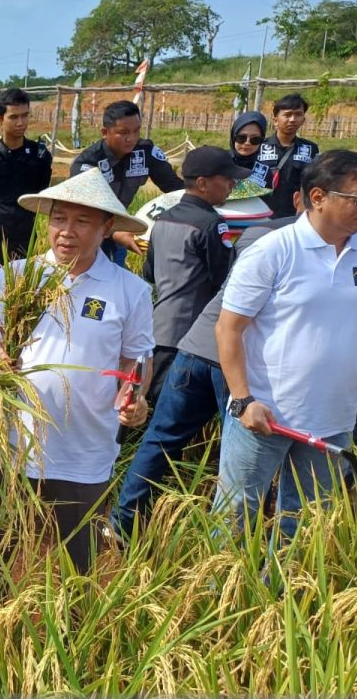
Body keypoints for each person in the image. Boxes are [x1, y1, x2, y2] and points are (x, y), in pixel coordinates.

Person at [0, 168, 153, 573]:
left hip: (85, 447)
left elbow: (136, 359)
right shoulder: (18, 276)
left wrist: (135, 397)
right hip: (13, 442)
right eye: (59, 218)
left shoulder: (129, 290)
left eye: (81, 221)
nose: (66, 231)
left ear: (107, 227)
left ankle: (80, 630)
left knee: (82, 559)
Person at [112, 190, 300, 538]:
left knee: (161, 438)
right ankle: (225, 551)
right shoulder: (301, 247)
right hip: (231, 361)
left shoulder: (257, 236)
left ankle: (122, 523)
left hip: (192, 348)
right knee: (238, 456)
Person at [215, 150, 357, 541]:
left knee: (305, 523)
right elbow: (228, 329)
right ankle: (215, 596)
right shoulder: (273, 251)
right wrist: (242, 400)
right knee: (235, 516)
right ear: (318, 197)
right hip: (265, 416)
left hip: (334, 420)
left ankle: (285, 596)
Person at [142, 147, 252, 404]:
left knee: (146, 406)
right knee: (170, 411)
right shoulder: (211, 224)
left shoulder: (164, 219)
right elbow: (224, 281)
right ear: (203, 183)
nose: (232, 185)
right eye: (226, 179)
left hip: (159, 328)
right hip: (189, 335)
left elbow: (149, 272)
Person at [70, 100, 183, 264]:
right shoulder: (88, 163)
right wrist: (116, 232)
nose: (131, 138)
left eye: (136, 131)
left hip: (119, 229)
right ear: (104, 132)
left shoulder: (146, 152)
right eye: (123, 133)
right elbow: (86, 210)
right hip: (86, 234)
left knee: (118, 275)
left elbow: (174, 187)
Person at [0, 87, 53, 282]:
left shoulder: (39, 156)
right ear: (0, 120)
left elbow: (41, 190)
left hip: (25, 234)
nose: (20, 122)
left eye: (25, 116)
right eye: (14, 117)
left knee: (22, 289)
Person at [257, 93, 320, 219]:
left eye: (298, 114)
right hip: (261, 215)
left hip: (294, 217)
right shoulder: (259, 147)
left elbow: (314, 182)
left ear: (303, 119)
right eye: (287, 115)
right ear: (275, 120)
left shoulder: (310, 149)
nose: (292, 119)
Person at [230, 110, 269, 184]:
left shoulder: (265, 168)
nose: (247, 143)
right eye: (241, 138)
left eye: (255, 139)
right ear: (233, 137)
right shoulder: (219, 163)